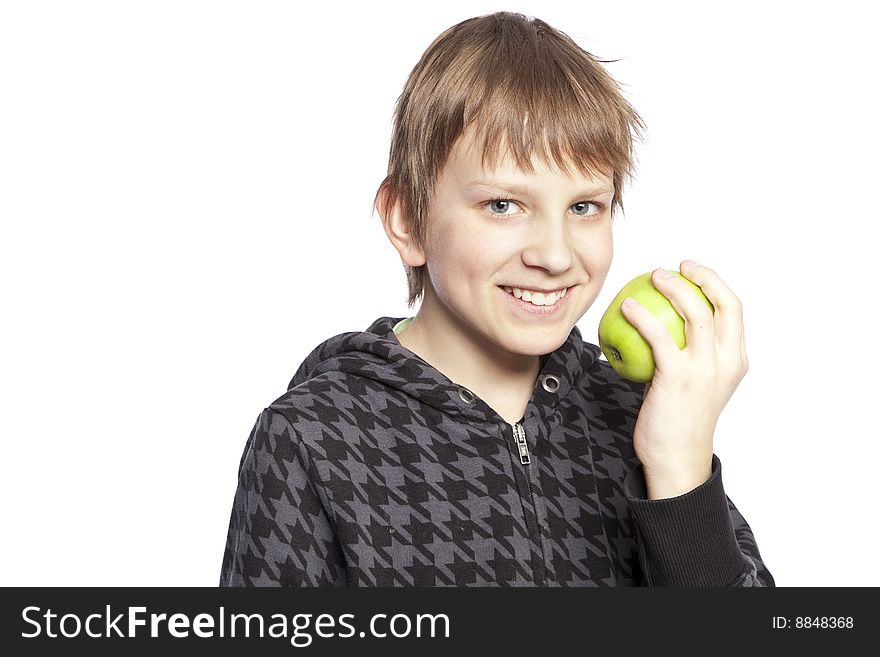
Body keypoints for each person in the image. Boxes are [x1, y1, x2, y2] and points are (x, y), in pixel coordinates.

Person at [219, 11, 774, 587]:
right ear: (407, 220)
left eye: (585, 207)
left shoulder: (646, 421)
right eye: (503, 205)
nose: (555, 256)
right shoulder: (312, 439)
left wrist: (679, 469)